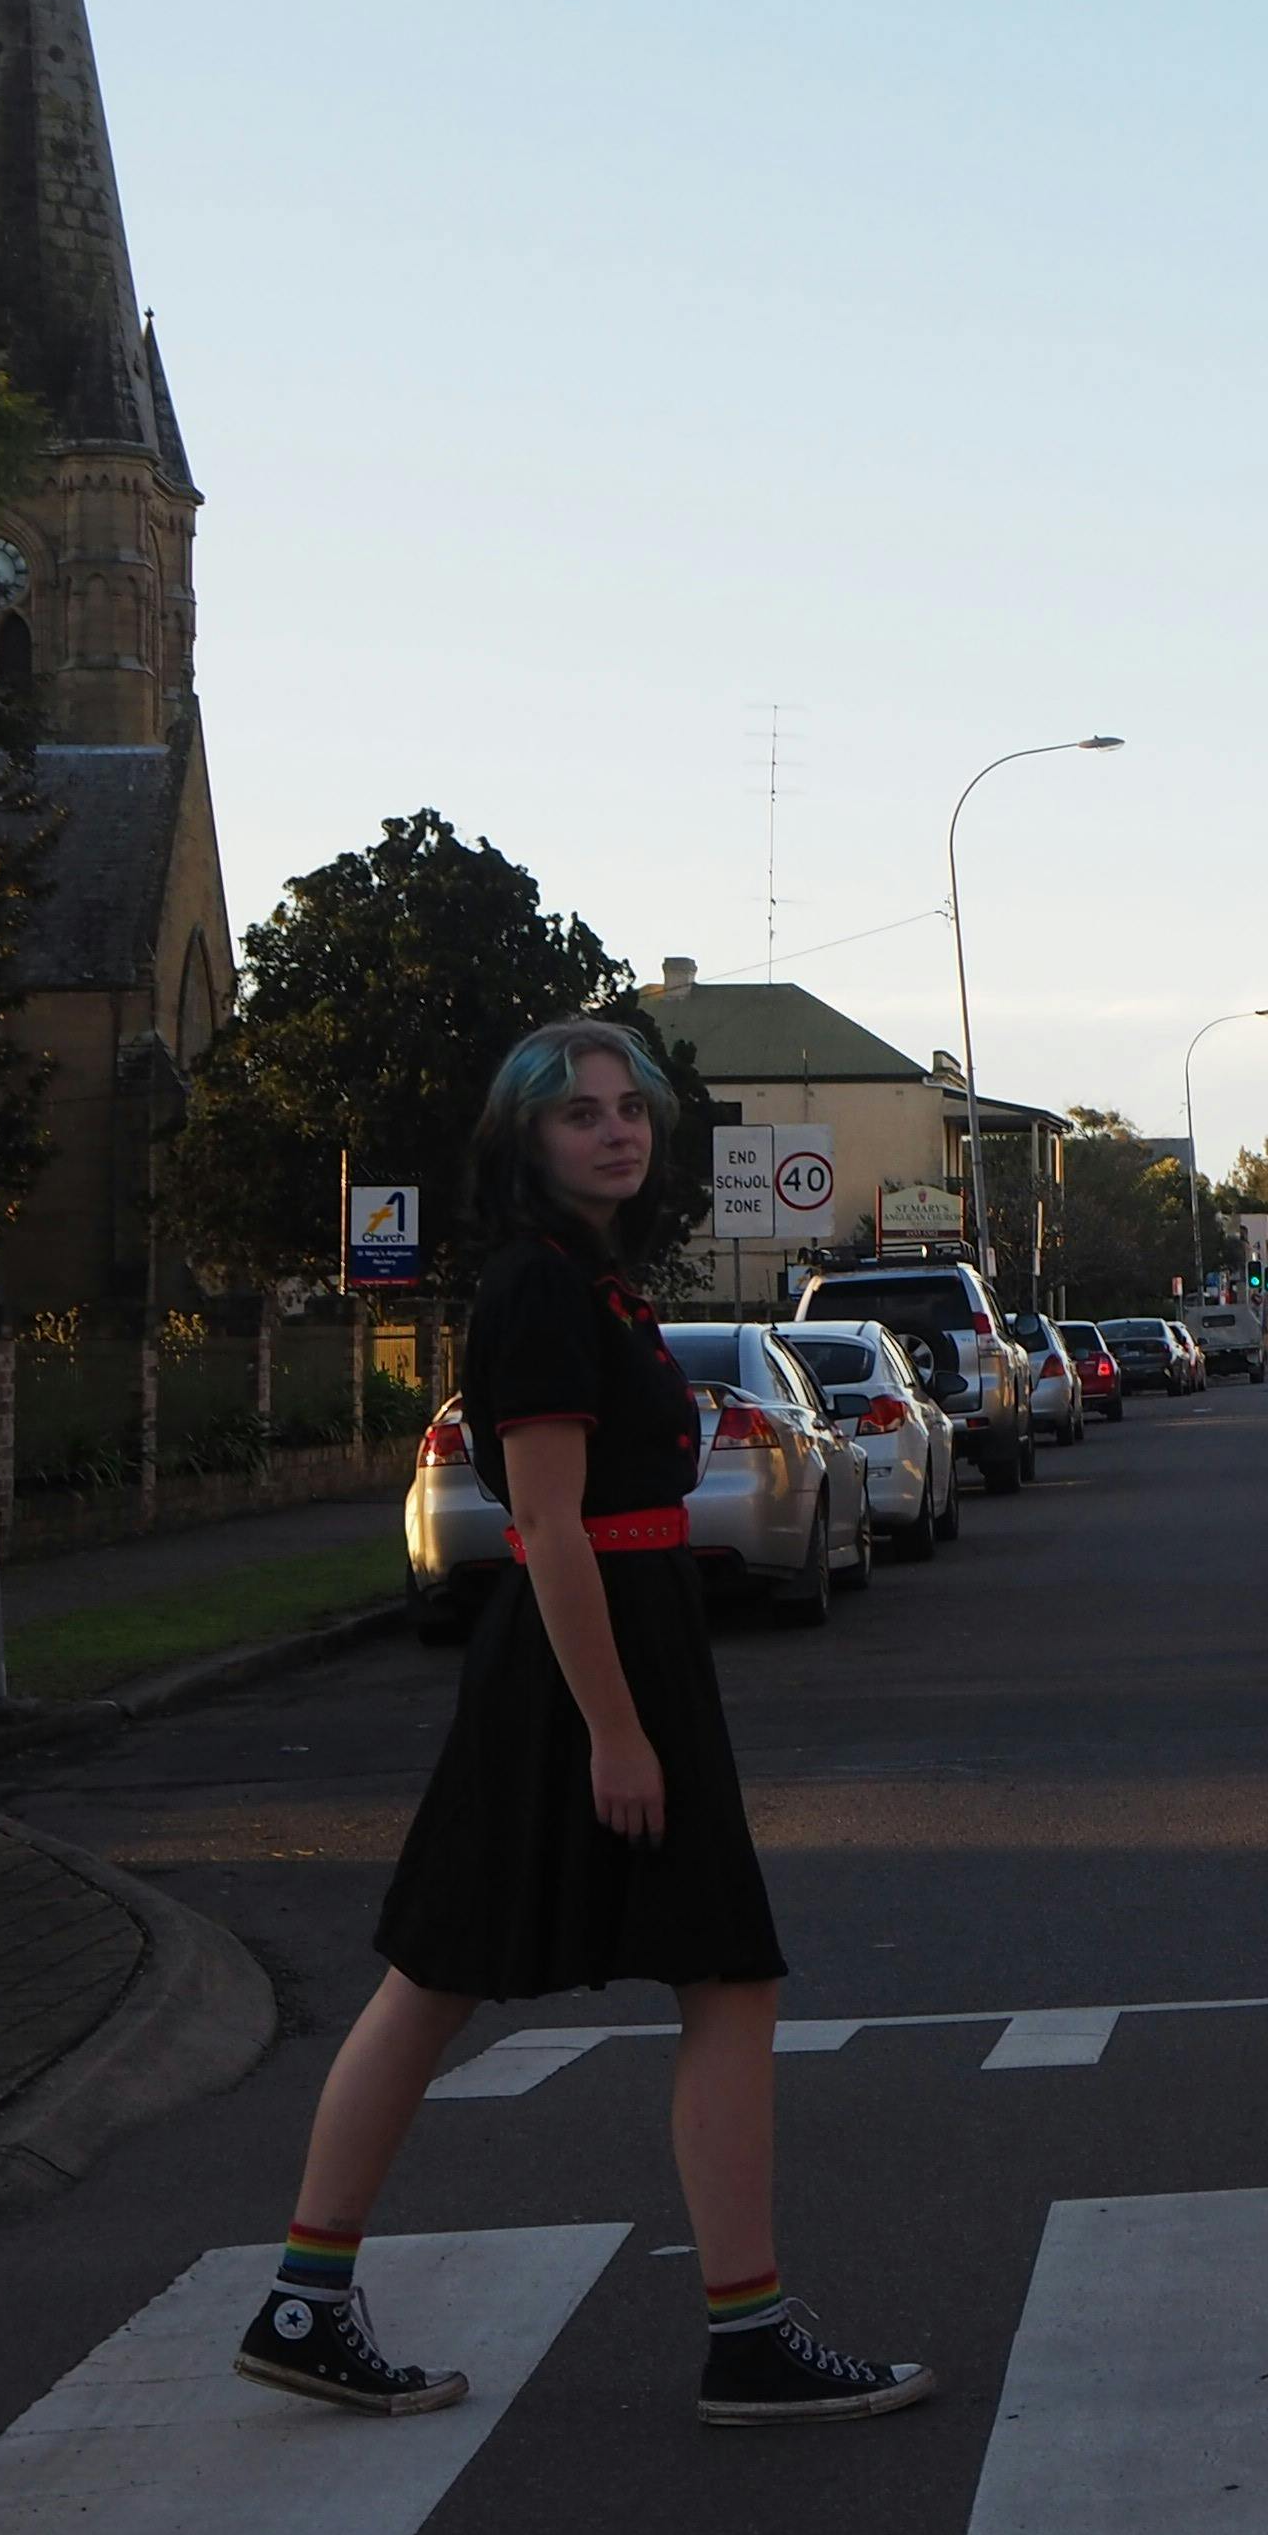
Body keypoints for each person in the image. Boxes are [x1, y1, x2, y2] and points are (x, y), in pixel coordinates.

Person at [233, 1019, 935, 2427]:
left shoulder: (586, 1283)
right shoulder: (542, 1293)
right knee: (691, 1975)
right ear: (525, 1140)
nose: (617, 1131)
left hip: (614, 1646)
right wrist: (617, 1730)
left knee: (462, 1974)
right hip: (587, 1662)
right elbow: (546, 1525)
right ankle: (741, 2333)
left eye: (631, 1109)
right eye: (580, 1115)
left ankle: (311, 2299)